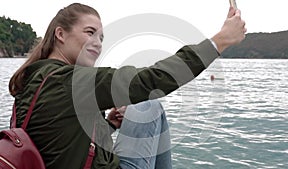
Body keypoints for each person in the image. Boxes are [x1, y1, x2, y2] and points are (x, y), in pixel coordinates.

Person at [8, 3, 246, 169]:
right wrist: (219, 41)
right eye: (90, 32)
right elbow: (148, 80)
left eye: (101, 37)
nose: (97, 43)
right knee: (147, 104)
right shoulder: (70, 80)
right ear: (60, 34)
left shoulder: (31, 83)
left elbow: (58, 144)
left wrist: (108, 125)